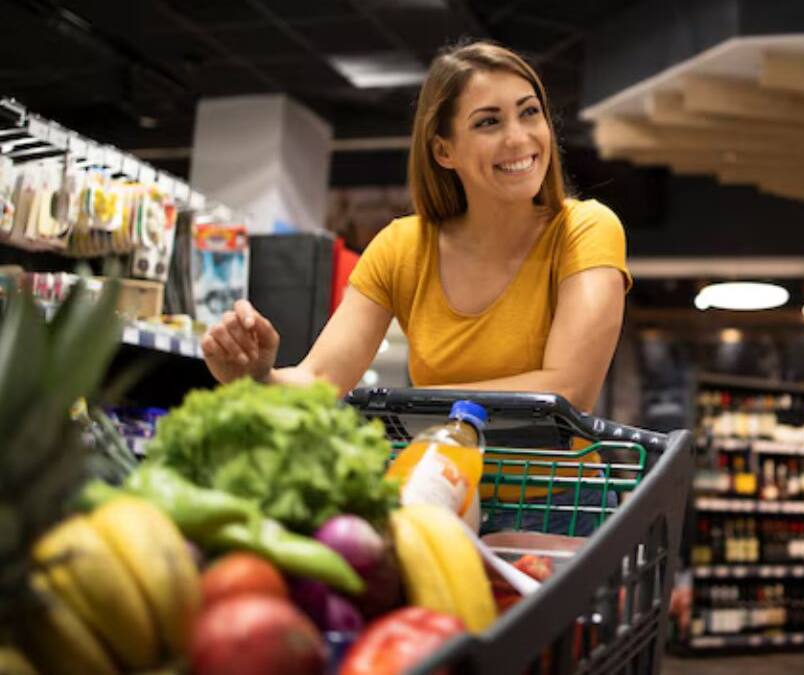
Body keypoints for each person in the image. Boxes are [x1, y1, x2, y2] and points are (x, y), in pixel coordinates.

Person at [199, 41, 631, 534]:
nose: (519, 138)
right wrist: (258, 378)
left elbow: (567, 390)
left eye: (529, 113)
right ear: (443, 150)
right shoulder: (402, 247)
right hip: (437, 497)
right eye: (488, 122)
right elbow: (320, 377)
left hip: (561, 507)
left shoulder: (586, 229)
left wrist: (403, 406)